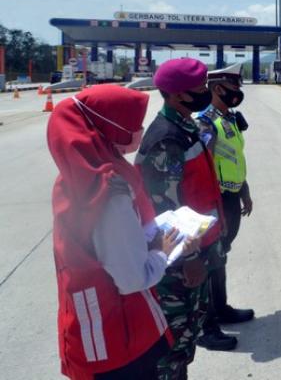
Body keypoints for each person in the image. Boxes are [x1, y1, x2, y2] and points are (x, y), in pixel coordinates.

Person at [48, 84, 194, 380]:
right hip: (118, 344)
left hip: (98, 332)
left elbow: (105, 245)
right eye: (133, 124)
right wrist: (162, 252)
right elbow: (133, 278)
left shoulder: (78, 177)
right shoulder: (108, 194)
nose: (139, 131)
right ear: (108, 129)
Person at [136, 58, 232, 379]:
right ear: (177, 95)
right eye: (200, 89)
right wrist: (189, 258)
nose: (206, 93)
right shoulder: (166, 139)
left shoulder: (185, 125)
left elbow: (198, 186)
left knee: (188, 339)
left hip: (200, 246)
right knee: (173, 348)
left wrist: (218, 223)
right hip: (179, 263)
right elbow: (167, 211)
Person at [195, 63, 255, 350]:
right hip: (215, 202)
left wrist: (244, 191)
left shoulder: (227, 117)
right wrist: (215, 206)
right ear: (217, 88)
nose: (237, 94)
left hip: (230, 198)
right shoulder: (206, 121)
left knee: (220, 257)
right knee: (209, 262)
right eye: (233, 89)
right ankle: (207, 327)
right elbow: (204, 166)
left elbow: (234, 158)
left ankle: (221, 309)